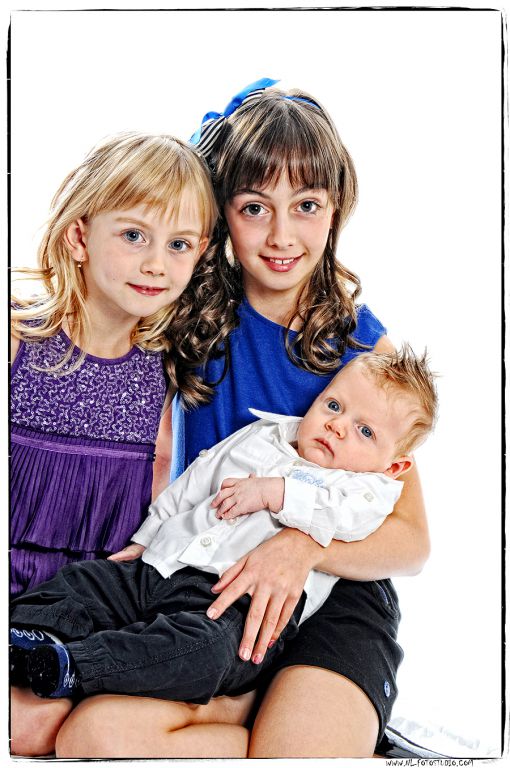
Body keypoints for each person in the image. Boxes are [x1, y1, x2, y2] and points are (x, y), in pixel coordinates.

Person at [15, 80, 431, 759]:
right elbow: (125, 254)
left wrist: (304, 547)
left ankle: (313, 717)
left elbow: (412, 540)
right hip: (201, 580)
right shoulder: (186, 310)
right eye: (253, 207)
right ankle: (249, 703)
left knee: (296, 754)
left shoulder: (362, 350)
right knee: (92, 735)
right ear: (221, 217)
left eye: (306, 206)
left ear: (335, 210)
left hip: (331, 590)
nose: (281, 235)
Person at [10, 346, 437, 708]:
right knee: (85, 583)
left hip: (233, 605)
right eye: (334, 406)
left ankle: (77, 665)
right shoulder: (265, 434)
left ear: (394, 466)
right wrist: (146, 538)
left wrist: (278, 493)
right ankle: (27, 635)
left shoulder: (367, 489)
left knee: (202, 653)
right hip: (164, 563)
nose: (337, 426)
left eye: (365, 431)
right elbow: (195, 480)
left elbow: (348, 518)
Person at [10, 131, 217, 597]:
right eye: (133, 236)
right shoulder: (16, 339)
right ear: (79, 237)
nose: (156, 264)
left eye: (178, 245)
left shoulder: (164, 374)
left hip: (85, 611)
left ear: (200, 250)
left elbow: (154, 513)